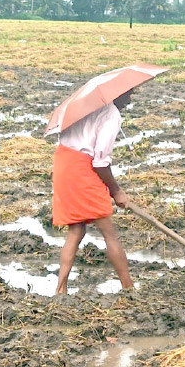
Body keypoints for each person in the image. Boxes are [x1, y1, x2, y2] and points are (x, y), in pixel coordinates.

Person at [52, 89, 134, 295]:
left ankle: (60, 290)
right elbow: (100, 163)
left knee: (76, 230)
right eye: (128, 94)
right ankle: (129, 289)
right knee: (109, 233)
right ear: (116, 94)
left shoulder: (83, 109)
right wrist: (117, 192)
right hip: (82, 169)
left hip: (64, 165)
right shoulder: (110, 114)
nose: (130, 98)